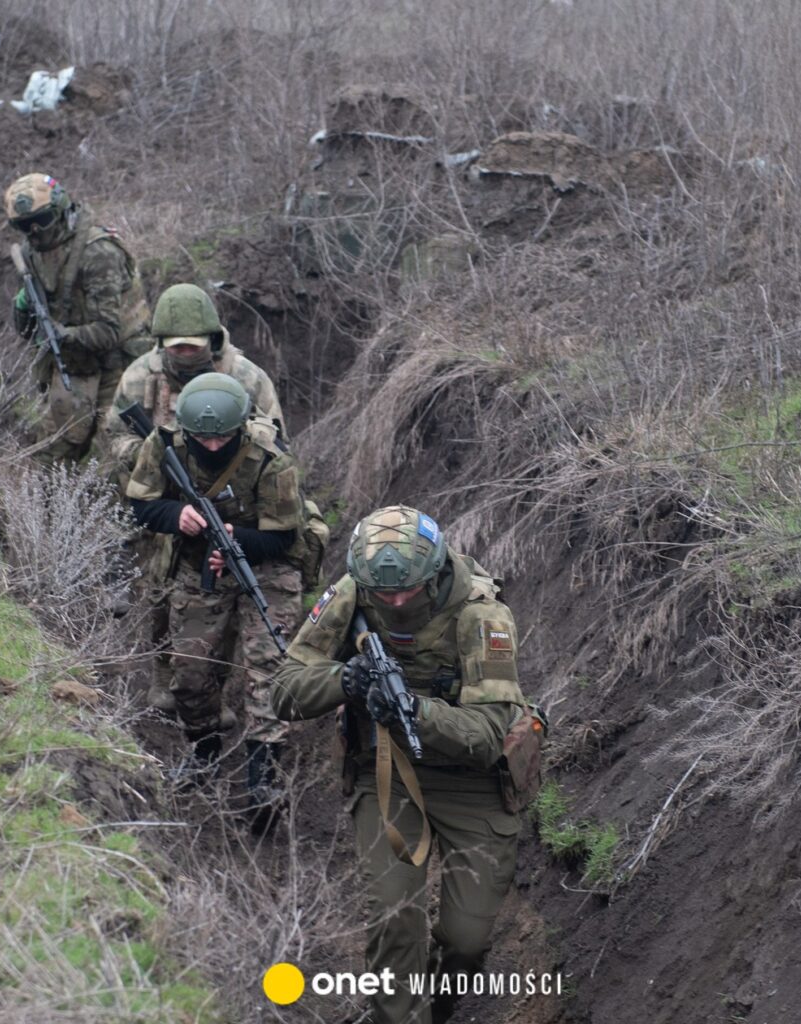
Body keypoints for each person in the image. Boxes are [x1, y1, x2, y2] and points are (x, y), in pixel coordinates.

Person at [272, 506, 542, 1024]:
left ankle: (437, 1006)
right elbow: (283, 691)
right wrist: (347, 681)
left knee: (466, 942)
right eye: (384, 594)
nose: (394, 602)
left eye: (406, 592)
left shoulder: (479, 614)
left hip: (474, 782)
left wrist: (415, 709)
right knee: (396, 917)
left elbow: (487, 737)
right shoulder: (356, 589)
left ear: (435, 573)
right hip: (387, 773)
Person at [123, 372, 308, 813]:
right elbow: (141, 504)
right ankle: (204, 753)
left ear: (239, 428)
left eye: (220, 438)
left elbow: (284, 537)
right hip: (197, 563)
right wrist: (177, 514)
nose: (210, 447)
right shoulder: (166, 443)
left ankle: (264, 780)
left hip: (266, 567)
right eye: (201, 439)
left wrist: (236, 539)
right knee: (189, 673)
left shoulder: (270, 458)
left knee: (268, 669)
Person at [4, 172, 153, 463]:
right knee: (49, 457)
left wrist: (63, 335)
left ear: (60, 212)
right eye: (23, 226)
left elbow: (109, 331)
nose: (34, 231)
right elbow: (26, 332)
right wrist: (23, 303)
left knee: (111, 459)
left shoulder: (98, 253)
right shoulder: (31, 255)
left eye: (42, 220)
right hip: (75, 365)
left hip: (119, 364)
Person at [100, 282, 285, 476]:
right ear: (162, 342)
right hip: (160, 479)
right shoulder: (138, 377)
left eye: (194, 346)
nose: (186, 354)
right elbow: (115, 437)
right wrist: (148, 453)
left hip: (235, 478)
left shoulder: (247, 377)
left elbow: (277, 443)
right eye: (178, 347)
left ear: (211, 339)